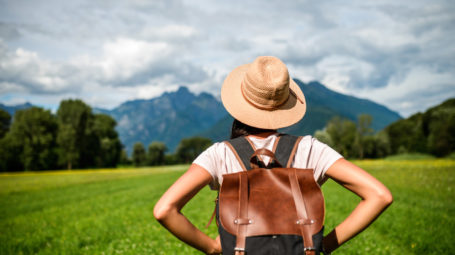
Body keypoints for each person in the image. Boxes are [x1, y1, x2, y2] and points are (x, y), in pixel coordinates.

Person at [153, 56, 393, 254]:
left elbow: (164, 210)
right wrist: (323, 245)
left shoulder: (220, 154)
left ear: (241, 100)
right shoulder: (310, 148)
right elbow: (379, 195)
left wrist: (214, 247)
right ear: (283, 105)